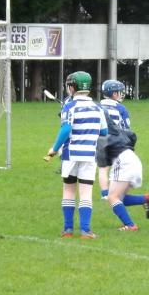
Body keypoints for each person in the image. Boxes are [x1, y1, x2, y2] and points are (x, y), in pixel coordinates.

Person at [46, 71, 107, 239]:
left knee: (69, 191)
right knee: (86, 192)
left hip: (70, 155)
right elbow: (104, 131)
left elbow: (66, 129)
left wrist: (53, 148)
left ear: (72, 87)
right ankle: (86, 230)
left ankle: (67, 230)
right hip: (89, 155)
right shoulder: (98, 107)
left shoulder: (69, 106)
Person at [97, 79, 149, 231]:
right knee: (119, 197)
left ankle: (130, 225)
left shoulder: (97, 108)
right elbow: (127, 130)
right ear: (114, 93)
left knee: (112, 197)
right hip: (130, 155)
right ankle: (146, 199)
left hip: (121, 160)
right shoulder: (121, 108)